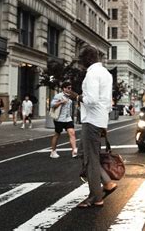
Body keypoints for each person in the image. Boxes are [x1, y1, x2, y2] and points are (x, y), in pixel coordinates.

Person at [67, 46, 116, 208]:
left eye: (81, 60)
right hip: (99, 120)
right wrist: (104, 122)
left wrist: (77, 96)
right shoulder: (106, 74)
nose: (81, 64)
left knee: (91, 159)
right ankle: (107, 183)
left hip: (92, 120)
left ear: (87, 59)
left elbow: (92, 99)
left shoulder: (92, 73)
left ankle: (96, 197)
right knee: (83, 153)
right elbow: (108, 102)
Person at [49, 81, 78, 159]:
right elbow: (52, 105)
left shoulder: (71, 96)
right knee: (57, 134)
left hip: (68, 118)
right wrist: (61, 102)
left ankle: (74, 151)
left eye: (70, 88)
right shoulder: (58, 96)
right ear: (64, 88)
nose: (70, 89)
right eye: (68, 88)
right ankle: (53, 151)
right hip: (59, 119)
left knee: (72, 133)